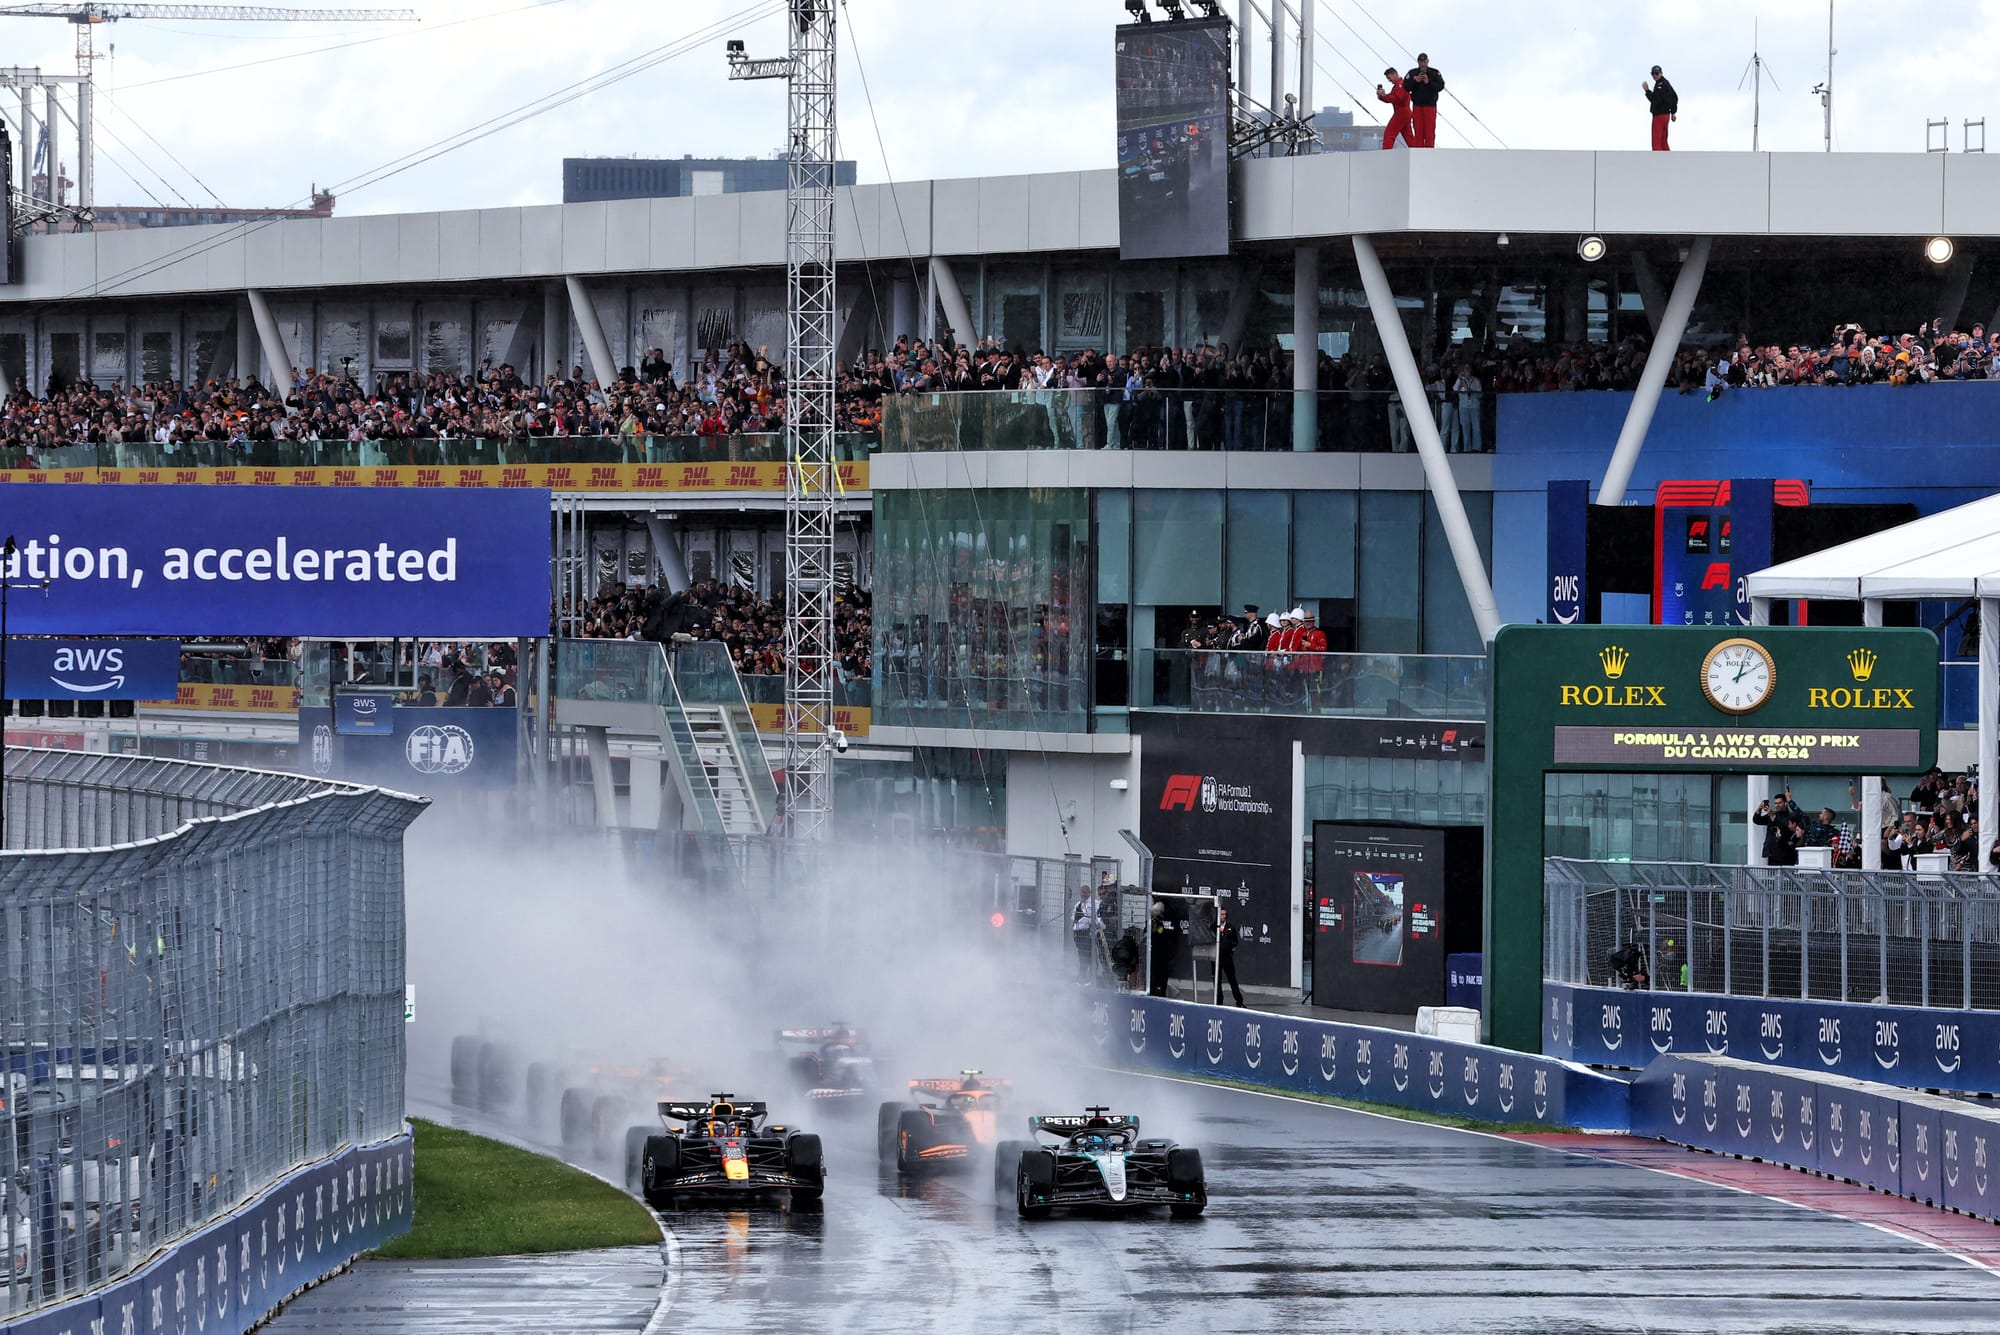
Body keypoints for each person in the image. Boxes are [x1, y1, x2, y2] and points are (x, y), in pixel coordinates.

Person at [1404, 53, 1444, 148]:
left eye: (1424, 61)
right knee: (1418, 131)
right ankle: (1419, 152)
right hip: (1417, 106)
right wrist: (1415, 81)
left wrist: (1428, 82)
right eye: (1420, 62)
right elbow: (1406, 86)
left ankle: (1429, 152)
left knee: (1429, 131)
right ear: (1418, 62)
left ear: (1427, 61)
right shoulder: (1413, 73)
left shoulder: (1434, 73)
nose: (1422, 64)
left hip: (1430, 106)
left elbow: (1440, 86)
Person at [1375, 67, 1414, 150]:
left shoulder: (1401, 85)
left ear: (1394, 74)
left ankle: (1386, 152)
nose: (1389, 80)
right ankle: (1417, 151)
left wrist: (1384, 96)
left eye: (1389, 78)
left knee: (1389, 133)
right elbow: (1393, 98)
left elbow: (1396, 98)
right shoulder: (1399, 85)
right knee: (1408, 136)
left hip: (1401, 112)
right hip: (1405, 112)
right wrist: (1383, 97)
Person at [1643, 65, 1678, 151]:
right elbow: (1674, 97)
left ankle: (1657, 158)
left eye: (1656, 73)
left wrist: (1647, 91)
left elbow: (1655, 100)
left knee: (1657, 140)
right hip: (1666, 115)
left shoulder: (1660, 85)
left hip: (1659, 115)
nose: (1654, 75)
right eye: (1653, 73)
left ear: (1661, 73)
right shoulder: (1666, 83)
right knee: (1663, 140)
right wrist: (1673, 112)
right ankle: (1667, 157)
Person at [1216, 906, 1245, 1007]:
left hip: (1227, 959)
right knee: (1217, 981)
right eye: (1222, 914)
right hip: (1216, 959)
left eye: (1225, 914)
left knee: (1232, 980)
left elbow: (1235, 942)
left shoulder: (1230, 927)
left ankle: (1239, 1001)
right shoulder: (1214, 927)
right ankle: (1218, 1002)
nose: (1224, 916)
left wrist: (1230, 951)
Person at [1148, 900, 1179, 997]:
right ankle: (1153, 990)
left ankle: (1161, 992)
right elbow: (1155, 933)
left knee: (1161, 976)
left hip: (1162, 953)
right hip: (1153, 953)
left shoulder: (1160, 924)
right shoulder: (1151, 923)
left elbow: (1161, 932)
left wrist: (1159, 929)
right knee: (1154, 975)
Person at [1072, 880, 1098, 982]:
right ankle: (1083, 976)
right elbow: (1073, 917)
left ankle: (1091, 977)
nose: (1082, 894)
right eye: (1081, 892)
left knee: (1088, 955)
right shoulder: (1078, 904)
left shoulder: (1094, 903)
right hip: (1078, 933)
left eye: (1084, 892)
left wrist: (1087, 920)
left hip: (1087, 933)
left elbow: (1096, 918)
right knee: (1081, 955)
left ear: (1089, 892)